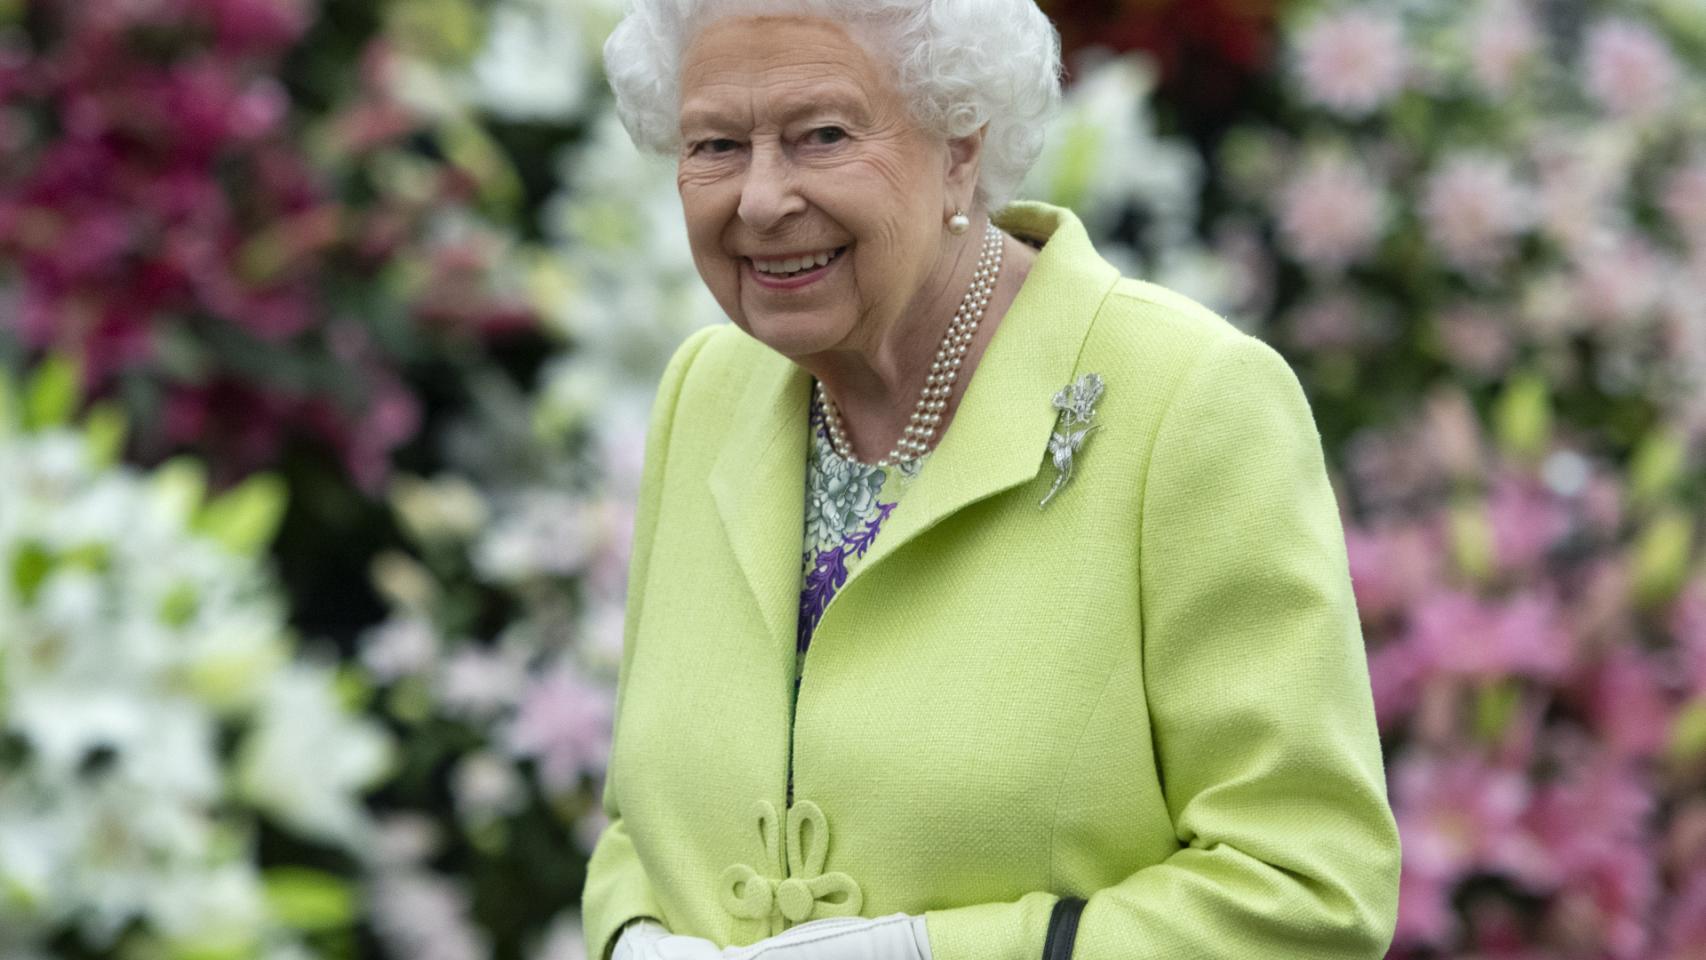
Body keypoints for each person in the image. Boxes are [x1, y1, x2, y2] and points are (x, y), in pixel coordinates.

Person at [583, 4, 1402, 960]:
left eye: (823, 136)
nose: (760, 200)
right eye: (716, 145)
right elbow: (642, 824)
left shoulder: (1189, 402)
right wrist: (632, 938)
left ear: (961, 148)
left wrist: (938, 954)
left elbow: (1311, 889)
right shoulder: (705, 392)